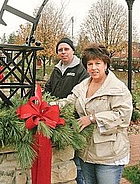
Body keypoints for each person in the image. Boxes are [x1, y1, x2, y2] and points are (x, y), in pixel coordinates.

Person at [56, 43, 133, 184]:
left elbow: (123, 116)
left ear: (105, 64)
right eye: (90, 64)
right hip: (86, 152)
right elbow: (69, 102)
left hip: (109, 154)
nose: (93, 68)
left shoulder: (117, 88)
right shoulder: (82, 86)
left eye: (98, 63)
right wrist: (49, 106)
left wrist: (92, 118)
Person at [45, 37, 89, 184]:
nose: (63, 52)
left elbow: (81, 95)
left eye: (66, 49)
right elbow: (48, 88)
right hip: (55, 115)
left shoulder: (81, 70)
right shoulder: (57, 69)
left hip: (73, 118)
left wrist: (64, 108)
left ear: (72, 50)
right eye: (60, 50)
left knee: (77, 158)